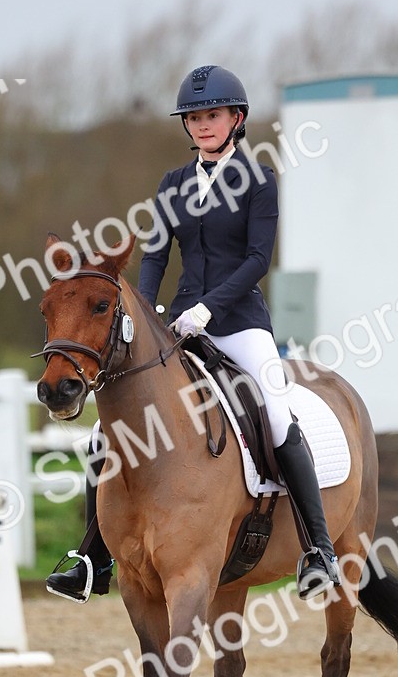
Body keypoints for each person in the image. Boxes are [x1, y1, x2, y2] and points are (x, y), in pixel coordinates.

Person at [46, 65, 341, 603]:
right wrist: (151, 310)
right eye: (196, 117)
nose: (203, 125)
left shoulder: (258, 181)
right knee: (100, 436)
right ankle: (92, 556)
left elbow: (257, 260)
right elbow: (156, 253)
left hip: (240, 323)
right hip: (177, 323)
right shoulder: (173, 185)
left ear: (236, 119)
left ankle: (319, 549)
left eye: (213, 115)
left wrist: (209, 308)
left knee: (276, 413)